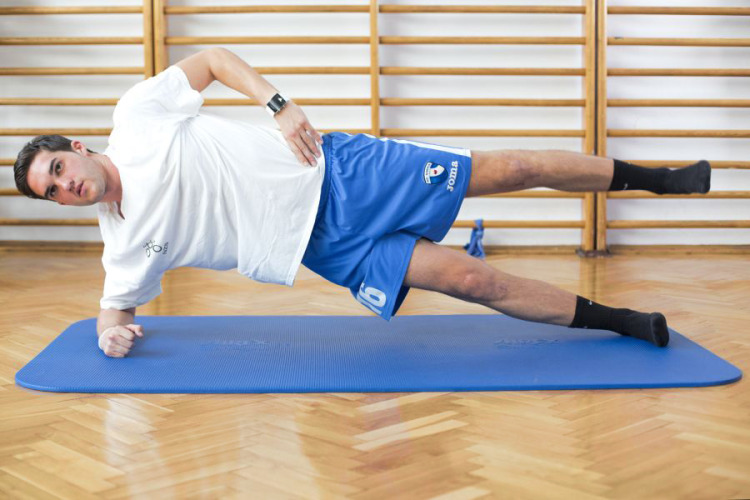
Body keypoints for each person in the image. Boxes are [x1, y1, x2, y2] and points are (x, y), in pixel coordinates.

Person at [14, 48, 711, 358]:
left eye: (58, 168)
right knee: (471, 280)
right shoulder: (122, 244)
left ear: (76, 147)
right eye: (52, 192)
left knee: (511, 169)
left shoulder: (136, 115)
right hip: (327, 248)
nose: (64, 186)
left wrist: (279, 105)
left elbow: (214, 60)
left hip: (338, 171)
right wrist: (110, 334)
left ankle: (658, 179)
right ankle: (622, 323)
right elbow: (116, 307)